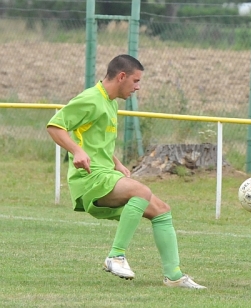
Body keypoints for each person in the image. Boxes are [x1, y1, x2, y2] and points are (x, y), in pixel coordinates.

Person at [46, 54, 206, 289]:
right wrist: (76, 151)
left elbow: (96, 142)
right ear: (122, 76)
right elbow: (55, 125)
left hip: (105, 173)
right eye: (136, 81)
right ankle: (115, 256)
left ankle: (174, 276)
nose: (138, 87)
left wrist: (117, 162)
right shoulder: (90, 99)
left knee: (162, 210)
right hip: (89, 178)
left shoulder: (109, 102)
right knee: (141, 192)